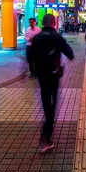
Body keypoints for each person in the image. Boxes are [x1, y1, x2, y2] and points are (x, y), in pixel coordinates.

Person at [32, 14, 74, 153]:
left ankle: (46, 133)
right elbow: (70, 53)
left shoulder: (36, 38)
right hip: (53, 74)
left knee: (45, 100)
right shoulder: (57, 37)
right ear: (54, 23)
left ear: (42, 23)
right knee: (53, 103)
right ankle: (45, 138)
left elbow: (30, 56)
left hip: (41, 75)